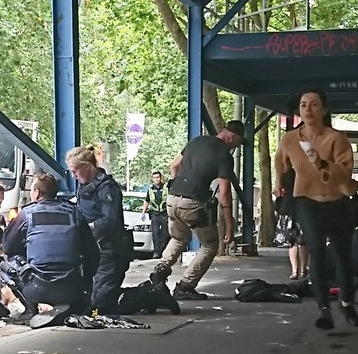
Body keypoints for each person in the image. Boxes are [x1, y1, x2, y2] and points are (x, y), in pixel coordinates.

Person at [275, 89, 358, 330]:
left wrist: (322, 163)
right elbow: (279, 160)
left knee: (344, 256)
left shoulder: (337, 138)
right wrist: (278, 183)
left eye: (314, 105)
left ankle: (346, 302)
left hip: (337, 202)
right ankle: (324, 308)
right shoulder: (289, 139)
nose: (308, 110)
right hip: (306, 201)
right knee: (316, 251)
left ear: (324, 109)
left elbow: (345, 173)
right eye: (303, 105)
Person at [150, 120, 245, 301]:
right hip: (192, 203)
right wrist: (230, 226)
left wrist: (181, 184)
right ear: (232, 137)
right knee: (210, 245)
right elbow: (225, 193)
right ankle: (186, 286)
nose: (236, 147)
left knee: (179, 238)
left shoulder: (196, 141)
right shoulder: (224, 154)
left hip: (172, 198)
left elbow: (174, 166)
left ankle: (159, 272)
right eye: (238, 143)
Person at [2, 173, 100, 322]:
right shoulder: (74, 212)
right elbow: (92, 252)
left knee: (7, 261)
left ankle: (30, 309)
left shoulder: (26, 214)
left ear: (37, 193)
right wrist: (85, 282)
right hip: (71, 288)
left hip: (36, 289)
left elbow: (8, 246)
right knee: (88, 254)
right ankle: (75, 303)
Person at [66, 145, 129, 314]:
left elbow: (111, 220)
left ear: (87, 167)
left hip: (110, 250)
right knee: (84, 300)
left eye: (75, 171)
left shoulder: (106, 187)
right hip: (92, 249)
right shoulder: (84, 184)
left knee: (100, 304)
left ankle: (149, 295)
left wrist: (87, 228)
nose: (74, 176)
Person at [274, 167, 308, 280]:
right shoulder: (305, 170)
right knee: (303, 242)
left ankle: (294, 271)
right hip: (303, 207)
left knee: (291, 243)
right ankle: (303, 270)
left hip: (287, 208)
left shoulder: (284, 173)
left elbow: (277, 191)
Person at [142, 171, 169, 258]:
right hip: (155, 214)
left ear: (161, 178)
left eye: (158, 177)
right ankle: (157, 253)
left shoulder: (166, 187)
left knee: (165, 234)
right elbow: (147, 200)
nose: (156, 179)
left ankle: (164, 251)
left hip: (165, 213)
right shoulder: (150, 189)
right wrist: (143, 212)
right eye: (154, 178)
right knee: (156, 234)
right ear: (152, 179)